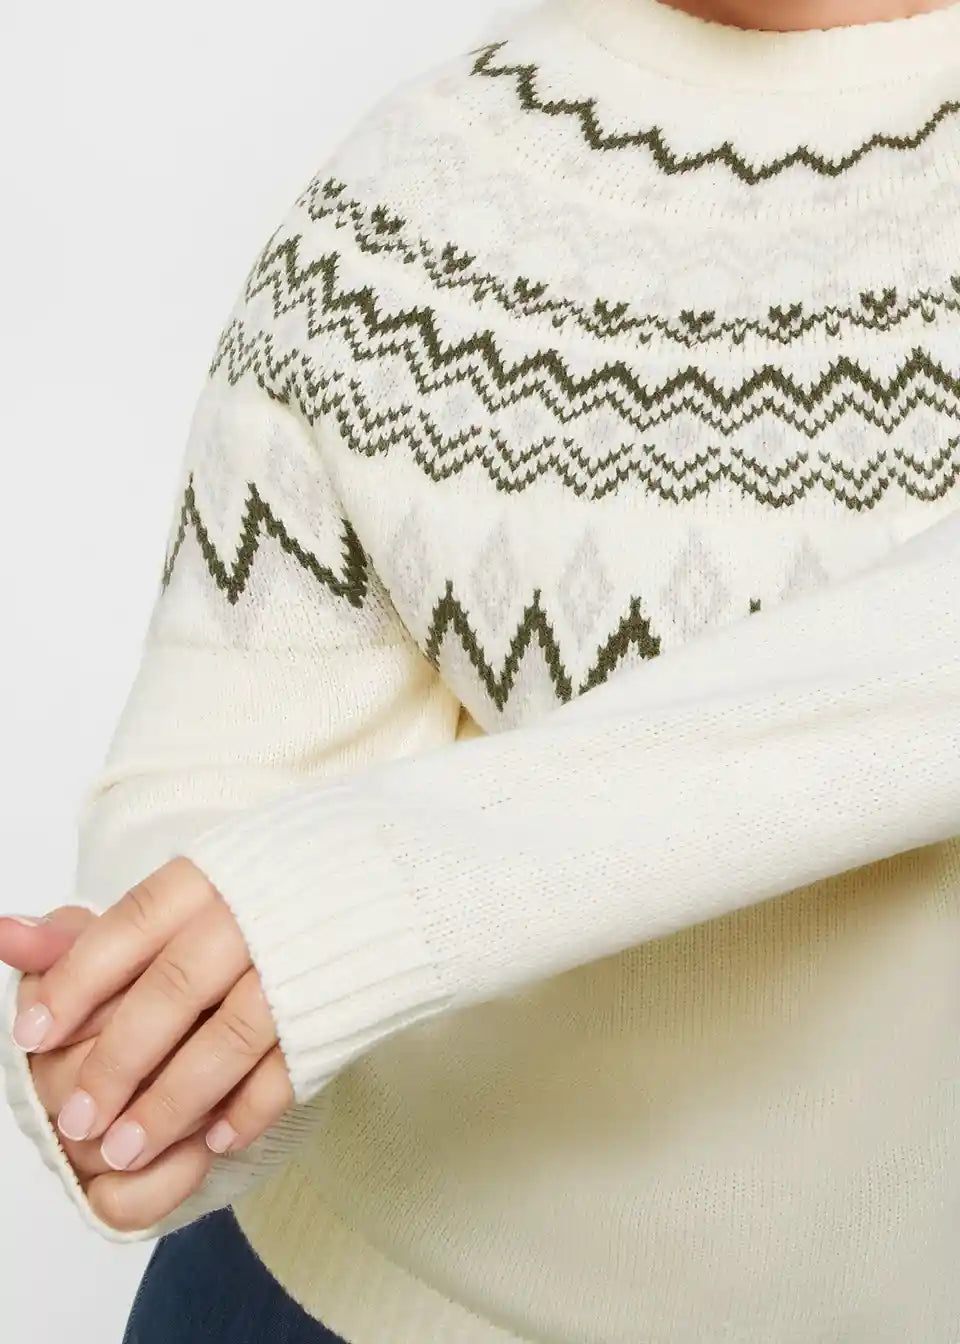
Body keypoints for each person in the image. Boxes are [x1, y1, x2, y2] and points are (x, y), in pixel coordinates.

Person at [3, 0, 960, 1339]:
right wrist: (155, 1068)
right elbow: (212, 794)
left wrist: (367, 905)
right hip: (326, 1299)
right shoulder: (421, 183)